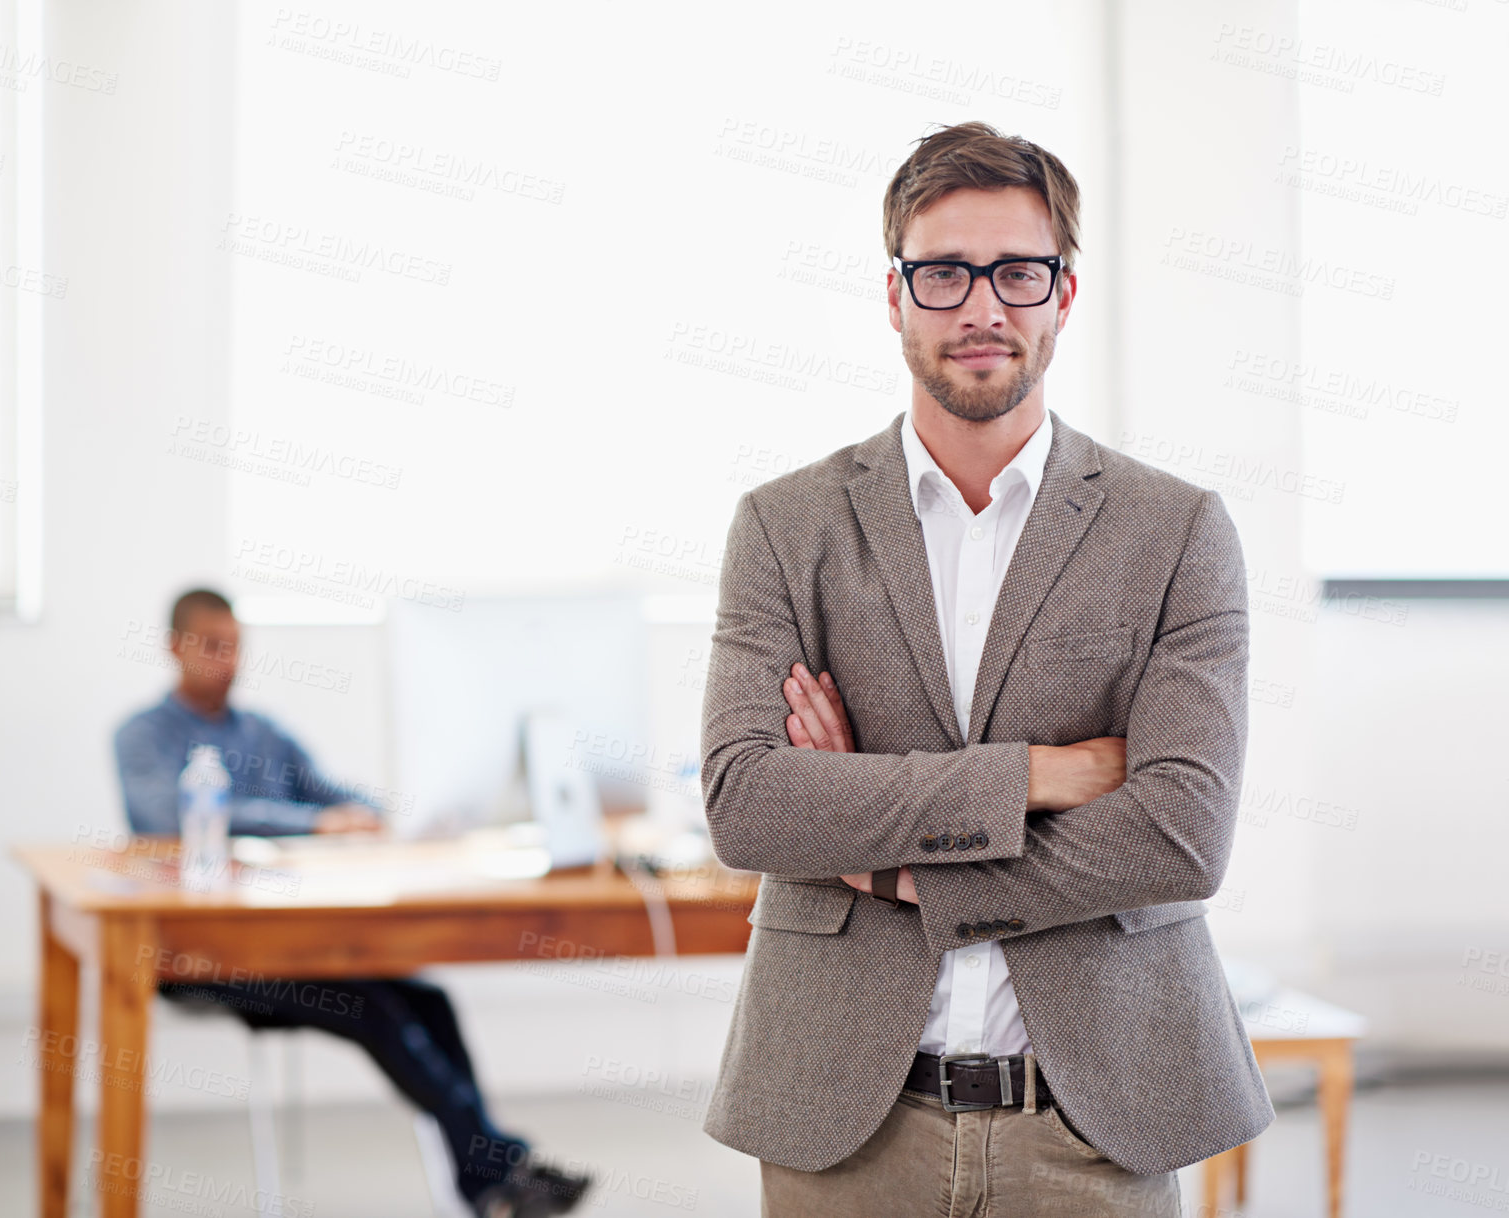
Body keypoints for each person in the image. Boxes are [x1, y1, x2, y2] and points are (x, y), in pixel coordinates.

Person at [698, 121, 1273, 1216]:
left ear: (1062, 293)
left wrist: (882, 863)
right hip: (842, 1121)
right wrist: (1038, 778)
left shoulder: (1176, 530)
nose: (980, 307)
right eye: (943, 272)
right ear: (893, 294)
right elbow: (749, 805)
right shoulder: (784, 526)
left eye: (1016, 271)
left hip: (1093, 1117)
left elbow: (1178, 832)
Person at [114, 588, 589, 1218]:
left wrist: (394, 811)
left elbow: (333, 796)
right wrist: (312, 825)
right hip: (206, 957)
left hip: (296, 945)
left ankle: (493, 1182)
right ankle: (502, 1171)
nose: (228, 660)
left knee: (428, 998)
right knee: (372, 1006)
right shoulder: (142, 737)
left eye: (236, 646)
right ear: (175, 647)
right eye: (212, 646)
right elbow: (165, 815)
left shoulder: (264, 732)